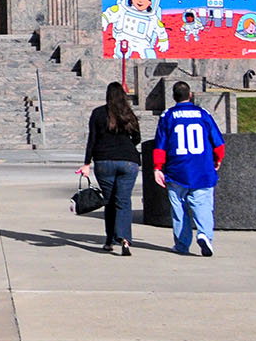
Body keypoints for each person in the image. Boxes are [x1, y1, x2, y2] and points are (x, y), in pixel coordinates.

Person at [154, 80, 226, 256]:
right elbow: (218, 144)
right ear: (190, 95)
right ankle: (204, 235)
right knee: (202, 205)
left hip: (176, 170)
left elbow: (160, 146)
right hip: (202, 169)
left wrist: (157, 168)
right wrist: (217, 160)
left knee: (179, 208)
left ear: (173, 97)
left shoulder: (167, 116)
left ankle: (182, 244)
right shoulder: (203, 114)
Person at [79, 81, 142, 255]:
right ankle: (125, 240)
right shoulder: (128, 113)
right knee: (123, 201)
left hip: (104, 161)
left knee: (109, 202)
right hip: (128, 161)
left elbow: (92, 139)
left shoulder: (98, 113)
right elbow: (137, 138)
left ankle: (109, 240)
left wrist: (86, 163)